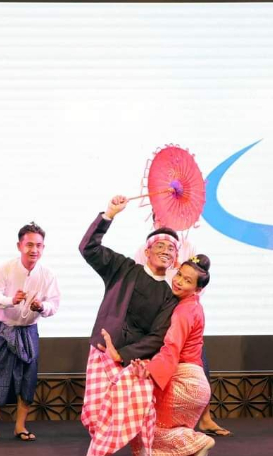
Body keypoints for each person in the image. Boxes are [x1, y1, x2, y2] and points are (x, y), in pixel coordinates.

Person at [79, 195, 180, 456]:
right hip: (102, 351)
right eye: (160, 245)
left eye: (171, 249)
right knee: (95, 414)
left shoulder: (169, 296)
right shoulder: (123, 268)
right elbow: (88, 248)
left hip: (133, 362)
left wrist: (122, 355)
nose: (166, 251)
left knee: (139, 413)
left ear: (175, 258)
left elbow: (157, 336)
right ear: (147, 251)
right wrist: (109, 214)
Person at [102, 254, 216, 456]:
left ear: (198, 289)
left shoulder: (184, 311)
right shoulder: (193, 306)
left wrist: (150, 369)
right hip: (195, 384)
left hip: (184, 383)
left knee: (148, 431)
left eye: (187, 281)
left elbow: (172, 347)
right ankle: (196, 446)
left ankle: (200, 442)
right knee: (160, 437)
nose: (178, 281)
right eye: (179, 274)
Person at [134, 216, 231, 437]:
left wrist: (185, 293)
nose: (165, 223)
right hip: (157, 310)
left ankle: (203, 419)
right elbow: (139, 279)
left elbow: (198, 279)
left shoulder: (188, 247)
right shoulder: (146, 248)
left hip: (181, 308)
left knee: (191, 353)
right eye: (159, 218)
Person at [0, 222, 60, 444]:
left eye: (39, 245)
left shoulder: (48, 274)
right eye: (29, 245)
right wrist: (10, 300)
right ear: (19, 246)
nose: (34, 250)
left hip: (29, 329)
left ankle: (20, 426)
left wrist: (41, 307)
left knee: (28, 377)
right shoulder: (4, 269)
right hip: (4, 328)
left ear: (43, 248)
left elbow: (54, 305)